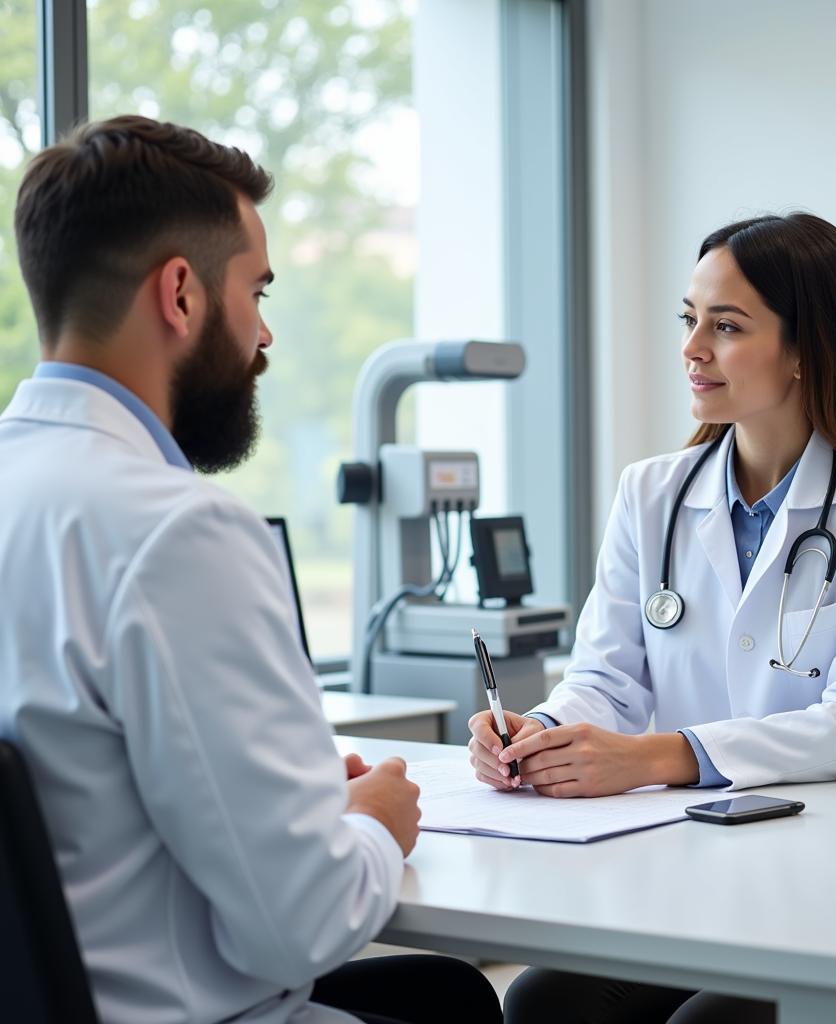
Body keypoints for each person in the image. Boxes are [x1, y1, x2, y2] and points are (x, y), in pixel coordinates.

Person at [0, 116, 502, 1024]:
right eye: (257, 292)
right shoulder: (175, 532)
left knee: (446, 997)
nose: (265, 335)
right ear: (181, 294)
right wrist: (372, 824)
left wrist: (300, 805)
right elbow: (302, 925)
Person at [468, 212, 836, 1023]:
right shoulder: (652, 494)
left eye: (727, 325)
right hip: (691, 868)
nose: (693, 347)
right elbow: (607, 675)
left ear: (807, 347)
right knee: (543, 1002)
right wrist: (544, 733)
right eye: (689, 319)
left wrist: (659, 756)